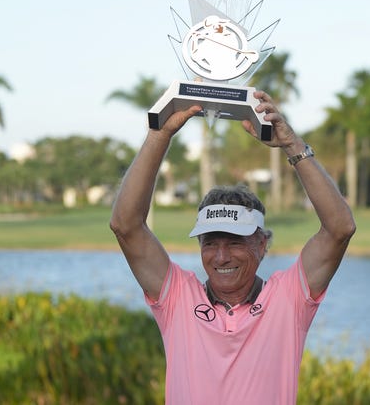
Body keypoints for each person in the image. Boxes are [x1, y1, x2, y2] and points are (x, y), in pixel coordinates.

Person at [110, 90, 356, 404]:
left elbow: (340, 229)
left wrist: (293, 146)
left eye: (236, 242)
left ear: (263, 244)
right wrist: (159, 135)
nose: (221, 256)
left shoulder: (288, 297)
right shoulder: (178, 297)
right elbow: (125, 226)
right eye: (210, 243)